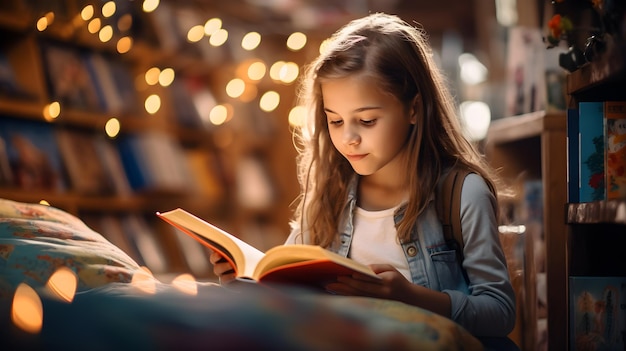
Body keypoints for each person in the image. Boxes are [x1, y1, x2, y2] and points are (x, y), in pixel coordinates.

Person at [211, 12, 516, 345]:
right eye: (336, 121)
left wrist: (412, 298)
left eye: (367, 121)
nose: (349, 139)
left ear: (414, 109)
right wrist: (243, 282)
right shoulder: (329, 195)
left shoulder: (462, 193)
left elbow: (500, 312)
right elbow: (290, 300)